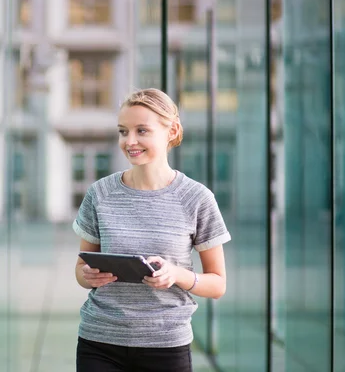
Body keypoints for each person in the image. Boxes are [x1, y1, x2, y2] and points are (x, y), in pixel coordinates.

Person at [73, 88, 231, 372]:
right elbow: (81, 270)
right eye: (123, 131)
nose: (129, 141)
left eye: (141, 131)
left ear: (172, 131)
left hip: (166, 346)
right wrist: (88, 276)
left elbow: (218, 284)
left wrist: (177, 274)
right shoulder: (99, 193)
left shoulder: (197, 198)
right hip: (99, 342)